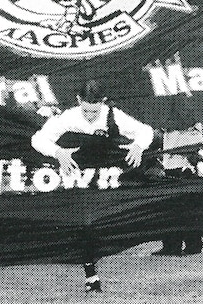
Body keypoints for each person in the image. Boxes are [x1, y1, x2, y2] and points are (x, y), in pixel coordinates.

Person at [31, 79, 154, 292]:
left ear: (103, 102)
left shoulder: (113, 115)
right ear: (79, 100)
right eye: (86, 111)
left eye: (94, 111)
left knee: (100, 225)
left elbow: (146, 131)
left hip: (104, 180)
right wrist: (58, 152)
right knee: (83, 225)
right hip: (78, 180)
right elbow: (38, 139)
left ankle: (94, 267)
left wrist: (138, 146)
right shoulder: (68, 117)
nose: (90, 116)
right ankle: (91, 275)